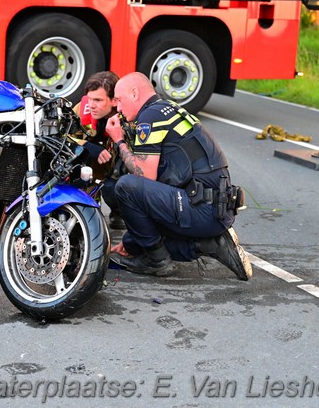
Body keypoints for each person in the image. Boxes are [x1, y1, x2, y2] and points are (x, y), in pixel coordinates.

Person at [104, 72, 252, 280]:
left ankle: (157, 261)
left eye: (119, 100)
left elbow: (144, 177)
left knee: (125, 186)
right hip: (214, 209)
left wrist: (119, 141)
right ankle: (210, 245)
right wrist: (132, 242)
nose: (118, 108)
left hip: (201, 209)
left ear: (135, 93)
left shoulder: (149, 117)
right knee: (143, 236)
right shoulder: (168, 109)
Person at [73, 71, 126, 229]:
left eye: (98, 100)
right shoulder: (81, 110)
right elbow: (61, 137)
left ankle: (119, 210)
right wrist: (86, 145)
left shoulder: (128, 116)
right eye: (89, 98)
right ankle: (88, 206)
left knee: (114, 188)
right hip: (91, 171)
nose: (91, 104)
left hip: (116, 173)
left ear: (114, 101)